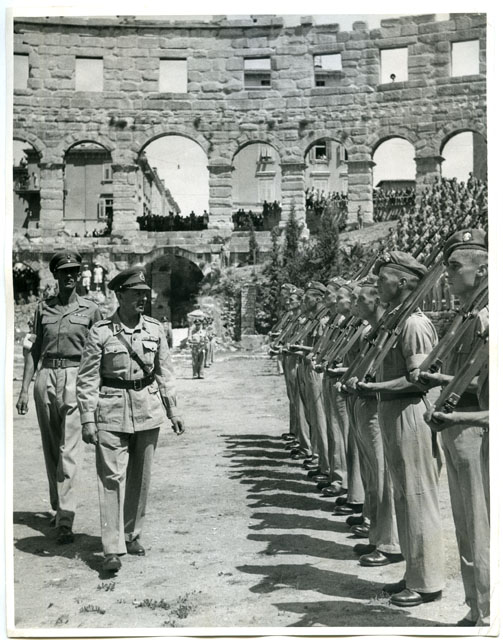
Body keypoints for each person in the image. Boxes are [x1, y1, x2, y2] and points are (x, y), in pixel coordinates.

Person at [76, 267, 185, 573]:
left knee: (140, 477)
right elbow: (87, 379)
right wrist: (87, 418)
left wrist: (173, 411)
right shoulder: (100, 332)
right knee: (111, 479)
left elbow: (165, 374)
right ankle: (111, 548)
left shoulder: (155, 329)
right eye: (135, 294)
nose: (142, 299)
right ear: (119, 295)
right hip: (110, 411)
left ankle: (130, 534)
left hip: (148, 411)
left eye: (144, 294)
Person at [357, 251, 445, 607]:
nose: (378, 285)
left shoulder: (413, 325)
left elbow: (420, 381)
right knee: (404, 497)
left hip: (409, 412)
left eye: (384, 279)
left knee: (418, 497)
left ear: (404, 282)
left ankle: (428, 582)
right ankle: (414, 573)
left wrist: (375, 387)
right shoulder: (398, 321)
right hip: (393, 410)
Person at [420, 229, 489, 626]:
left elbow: (484, 383)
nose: (446, 274)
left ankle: (489, 614)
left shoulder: (486, 319)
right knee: (465, 525)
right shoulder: (466, 317)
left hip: (474, 427)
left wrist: (441, 381)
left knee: (480, 526)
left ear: (482, 271)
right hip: (454, 424)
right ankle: (476, 606)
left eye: (454, 267)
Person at [16, 250, 101, 544]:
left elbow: (99, 351)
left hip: (77, 378)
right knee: (52, 449)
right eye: (64, 272)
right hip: (46, 378)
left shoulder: (91, 310)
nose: (70, 276)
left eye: (74, 271)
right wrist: (24, 389)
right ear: (55, 275)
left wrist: (98, 389)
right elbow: (33, 350)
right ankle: (58, 506)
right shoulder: (43, 309)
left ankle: (65, 519)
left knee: (69, 451)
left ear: (79, 275)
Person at [188, 311, 207, 379]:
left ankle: (201, 374)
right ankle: (195, 374)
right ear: (195, 325)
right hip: (195, 348)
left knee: (201, 362)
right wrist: (191, 343)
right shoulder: (192, 332)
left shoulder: (203, 332)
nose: (198, 326)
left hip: (202, 348)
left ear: (201, 325)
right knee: (195, 362)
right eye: (196, 324)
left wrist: (203, 344)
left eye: (199, 324)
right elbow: (189, 339)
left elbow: (206, 340)